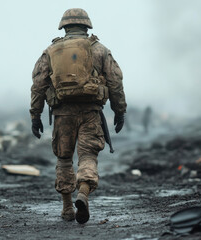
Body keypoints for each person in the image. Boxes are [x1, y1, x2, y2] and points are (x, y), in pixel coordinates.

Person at [30, 8, 127, 224]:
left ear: (64, 27)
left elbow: (38, 85)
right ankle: (83, 191)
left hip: (62, 114)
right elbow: (115, 82)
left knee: (64, 159)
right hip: (91, 112)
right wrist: (119, 111)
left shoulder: (51, 50)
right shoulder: (100, 50)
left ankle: (66, 209)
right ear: (87, 26)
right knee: (88, 156)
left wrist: (35, 115)